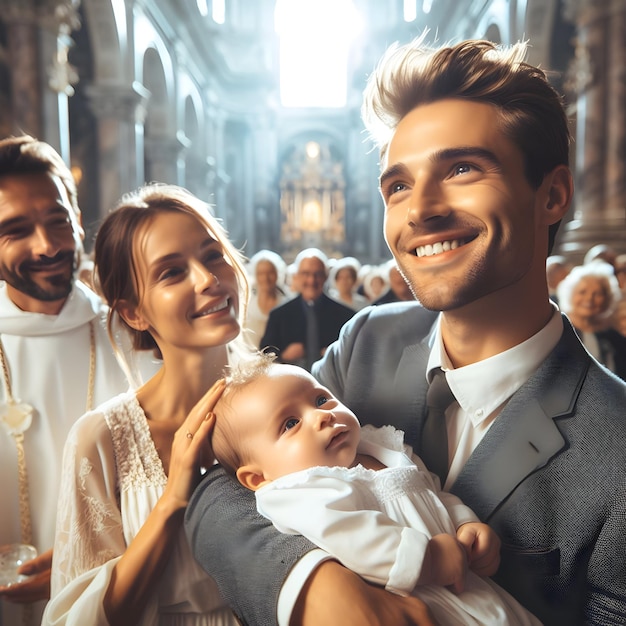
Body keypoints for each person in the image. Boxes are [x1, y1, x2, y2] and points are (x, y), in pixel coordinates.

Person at [185, 36, 626, 626]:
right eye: (397, 185)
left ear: (551, 195)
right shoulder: (367, 341)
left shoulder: (615, 446)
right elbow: (222, 488)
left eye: (462, 168)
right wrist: (307, 586)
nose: (419, 210)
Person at [42, 184, 264, 625]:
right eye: (172, 272)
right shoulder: (101, 439)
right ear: (133, 313)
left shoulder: (287, 396)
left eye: (213, 254)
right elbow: (78, 618)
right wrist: (172, 499)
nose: (208, 278)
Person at [211, 354, 541, 626]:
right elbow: (352, 536)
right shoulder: (297, 490)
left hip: (469, 584)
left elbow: (432, 492)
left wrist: (463, 523)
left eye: (321, 399)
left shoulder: (381, 445)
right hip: (416, 599)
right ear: (258, 477)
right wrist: (429, 559)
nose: (321, 417)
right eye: (290, 423)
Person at [0, 135, 153, 626]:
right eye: (16, 230)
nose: (46, 246)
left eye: (58, 221)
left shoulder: (133, 339)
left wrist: (80, 562)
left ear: (78, 220)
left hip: (112, 594)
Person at [260, 248, 354, 371]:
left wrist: (338, 354)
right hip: (292, 384)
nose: (311, 280)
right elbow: (264, 355)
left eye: (318, 274)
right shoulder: (279, 315)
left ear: (326, 277)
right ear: (296, 276)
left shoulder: (346, 315)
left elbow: (356, 355)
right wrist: (283, 355)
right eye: (306, 274)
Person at [557, 261, 626, 379]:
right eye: (582, 292)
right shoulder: (558, 332)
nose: (589, 298)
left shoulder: (614, 337)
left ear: (607, 298)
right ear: (569, 294)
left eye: (598, 293)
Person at [245, 249, 290, 348]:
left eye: (270, 273)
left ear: (278, 273)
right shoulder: (247, 306)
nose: (265, 278)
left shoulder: (287, 305)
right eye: (260, 273)